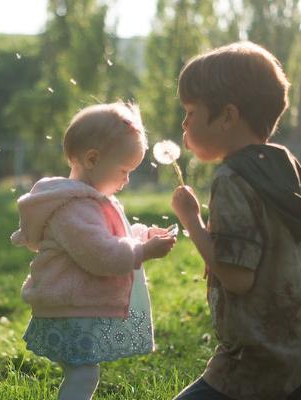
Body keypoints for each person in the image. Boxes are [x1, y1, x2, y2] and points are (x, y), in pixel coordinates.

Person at [171, 42, 301, 400]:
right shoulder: (289, 170)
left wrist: (192, 221)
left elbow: (237, 277)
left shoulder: (232, 179)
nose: (184, 123)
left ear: (227, 116)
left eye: (191, 111)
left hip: (256, 359)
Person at [11, 102, 177, 400]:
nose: (127, 180)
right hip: (69, 309)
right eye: (125, 170)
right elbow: (101, 254)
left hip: (74, 306)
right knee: (84, 373)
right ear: (92, 159)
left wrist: (142, 235)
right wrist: (143, 252)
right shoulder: (73, 208)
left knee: (84, 372)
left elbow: (111, 237)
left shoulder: (86, 202)